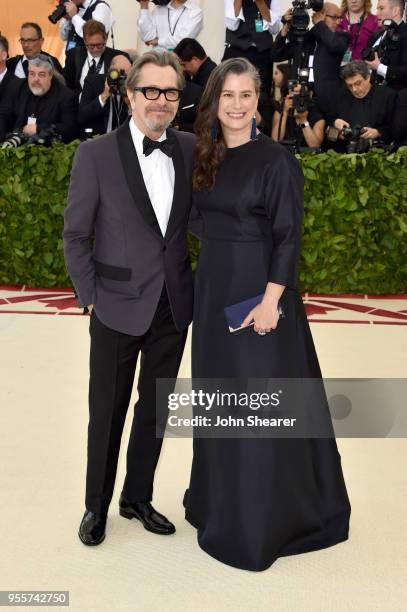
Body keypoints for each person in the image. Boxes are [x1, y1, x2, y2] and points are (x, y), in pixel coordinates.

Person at [183, 58, 351, 571]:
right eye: (227, 96)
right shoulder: (206, 156)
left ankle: (259, 521)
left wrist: (272, 300)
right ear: (214, 101)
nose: (236, 106)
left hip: (261, 300)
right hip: (215, 295)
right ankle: (220, 503)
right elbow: (196, 221)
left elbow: (288, 236)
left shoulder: (276, 161)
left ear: (260, 100)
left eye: (246, 96)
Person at [63, 50, 195, 546]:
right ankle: (96, 505)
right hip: (115, 304)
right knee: (109, 408)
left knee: (155, 408)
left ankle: (137, 496)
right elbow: (75, 235)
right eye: (150, 91)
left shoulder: (189, 147)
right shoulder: (95, 154)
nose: (160, 101)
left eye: (170, 92)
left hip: (173, 305)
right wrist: (91, 296)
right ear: (130, 94)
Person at [0, 55, 78, 144]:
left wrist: (39, 128)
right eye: (32, 74)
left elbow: (70, 129)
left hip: (47, 149)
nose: (35, 79)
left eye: (41, 74)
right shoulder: (16, 86)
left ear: (50, 75)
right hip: (13, 145)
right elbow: (3, 115)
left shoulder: (66, 96)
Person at [326, 60, 396, 151]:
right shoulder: (340, 96)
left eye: (358, 83)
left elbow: (396, 129)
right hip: (344, 152)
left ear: (368, 77)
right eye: (349, 85)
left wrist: (378, 132)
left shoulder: (387, 95)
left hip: (377, 152)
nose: (354, 89)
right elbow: (327, 131)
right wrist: (336, 130)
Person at [223, 0, 281, 93]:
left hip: (262, 53)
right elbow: (231, 25)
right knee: (231, 89)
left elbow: (275, 29)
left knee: (261, 94)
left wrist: (261, 3)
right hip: (237, 50)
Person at [63, 20, 126, 94]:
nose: (95, 49)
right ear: (85, 41)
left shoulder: (118, 57)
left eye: (99, 45)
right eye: (91, 46)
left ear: (105, 39)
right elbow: (67, 85)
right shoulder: (73, 55)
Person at [78, 53, 132, 136]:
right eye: (120, 75)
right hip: (99, 139)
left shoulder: (133, 87)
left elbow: (141, 122)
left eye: (127, 76)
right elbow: (82, 116)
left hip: (124, 140)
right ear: (110, 71)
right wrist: (104, 95)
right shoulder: (93, 82)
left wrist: (129, 104)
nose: (123, 79)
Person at [363, 0, 407, 90]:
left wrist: (379, 67)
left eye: (381, 8)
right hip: (374, 94)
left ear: (395, 11)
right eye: (377, 9)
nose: (377, 13)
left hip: (398, 97)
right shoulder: (376, 35)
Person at [271, 83, 325, 149]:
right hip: (286, 155)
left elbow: (315, 145)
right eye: (295, 92)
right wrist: (285, 113)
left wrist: (303, 121)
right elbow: (275, 140)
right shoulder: (280, 112)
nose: (299, 97)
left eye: (302, 93)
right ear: (289, 94)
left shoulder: (315, 114)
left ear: (310, 94)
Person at [137, 0, 203, 52]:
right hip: (157, 60)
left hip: (180, 62)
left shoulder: (196, 12)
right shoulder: (159, 9)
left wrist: (157, 41)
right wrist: (144, 5)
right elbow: (147, 37)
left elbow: (183, 41)